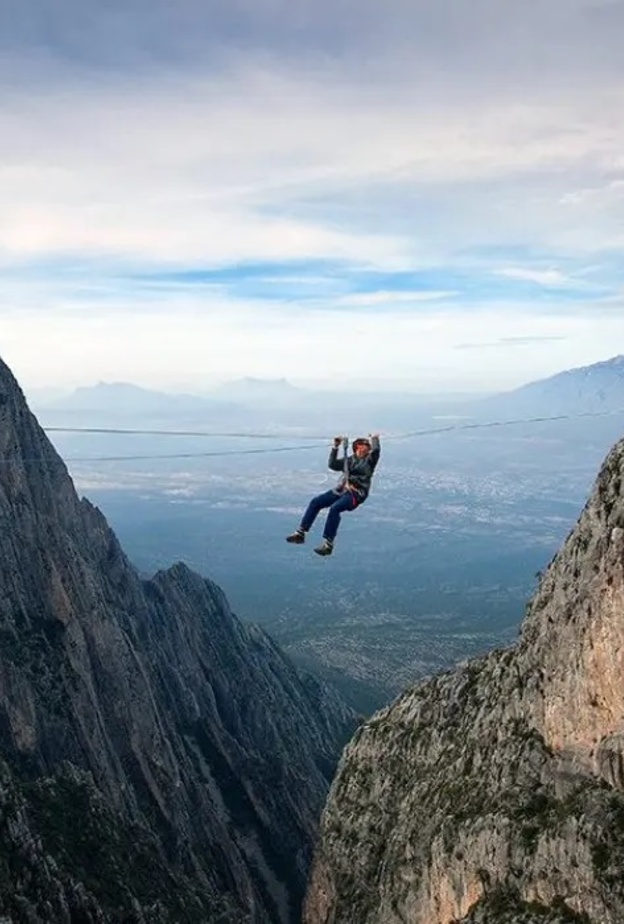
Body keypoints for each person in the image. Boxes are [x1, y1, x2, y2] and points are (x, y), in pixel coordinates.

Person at [286, 434, 381, 556]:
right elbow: (332, 465)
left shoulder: (369, 461)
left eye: (368, 446)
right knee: (316, 502)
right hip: (342, 490)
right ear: (358, 447)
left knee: (335, 508)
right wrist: (335, 447)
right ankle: (301, 533)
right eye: (365, 446)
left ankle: (328, 544)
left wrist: (375, 438)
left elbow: (376, 450)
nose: (368, 448)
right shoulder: (348, 461)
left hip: (356, 493)